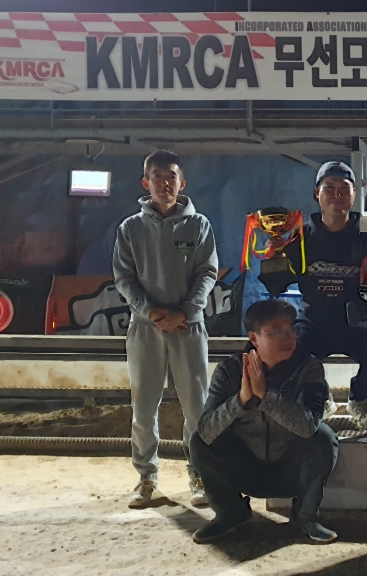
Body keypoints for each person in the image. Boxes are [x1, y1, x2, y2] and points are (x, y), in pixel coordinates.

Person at [113, 149, 217, 509]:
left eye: (171, 176)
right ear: (146, 183)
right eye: (157, 176)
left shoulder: (199, 225)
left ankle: (200, 475)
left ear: (181, 182)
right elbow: (123, 277)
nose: (164, 183)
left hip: (189, 328)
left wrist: (186, 311)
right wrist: (151, 312)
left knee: (197, 407)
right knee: (144, 406)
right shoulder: (130, 229)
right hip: (146, 329)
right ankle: (147, 478)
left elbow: (207, 272)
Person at [190, 299, 339, 544]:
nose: (287, 337)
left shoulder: (309, 367)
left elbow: (309, 426)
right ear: (253, 337)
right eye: (276, 331)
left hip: (291, 472)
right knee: (199, 440)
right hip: (246, 470)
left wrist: (265, 396)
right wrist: (240, 400)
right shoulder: (229, 370)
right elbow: (206, 430)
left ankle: (305, 516)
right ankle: (230, 513)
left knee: (324, 437)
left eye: (291, 329)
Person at [271, 161, 367, 430]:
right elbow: (278, 284)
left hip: (359, 317)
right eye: (329, 188)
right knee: (286, 355)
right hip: (315, 318)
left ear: (354, 195)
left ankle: (360, 398)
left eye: (344, 188)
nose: (337, 194)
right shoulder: (299, 234)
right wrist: (274, 256)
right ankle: (320, 397)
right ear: (316, 193)